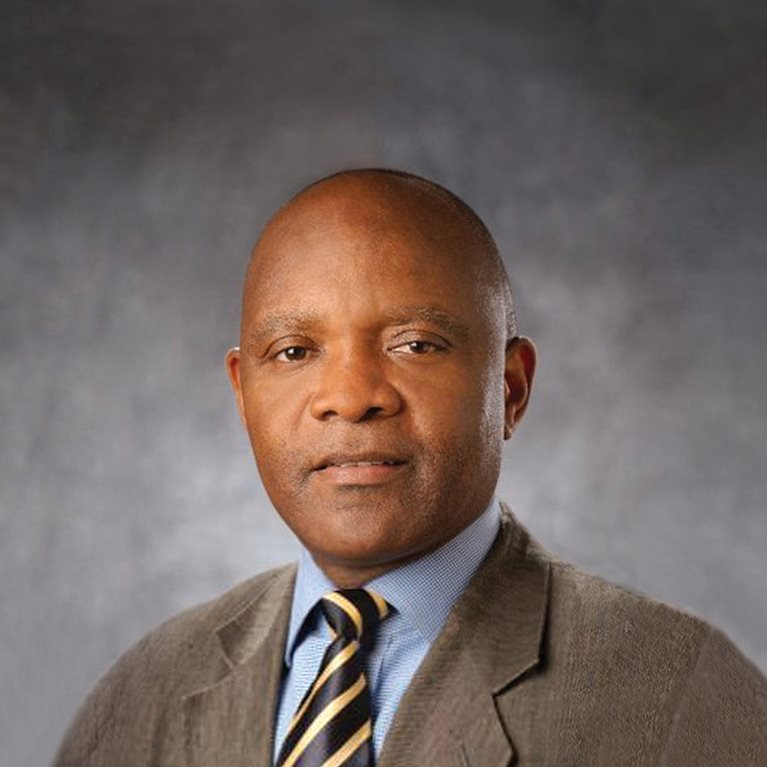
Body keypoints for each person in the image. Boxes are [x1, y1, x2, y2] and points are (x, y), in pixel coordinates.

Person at [54, 169, 767, 767]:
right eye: (295, 352)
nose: (349, 397)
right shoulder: (142, 695)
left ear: (510, 388)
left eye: (416, 344)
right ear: (243, 394)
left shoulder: (682, 695)